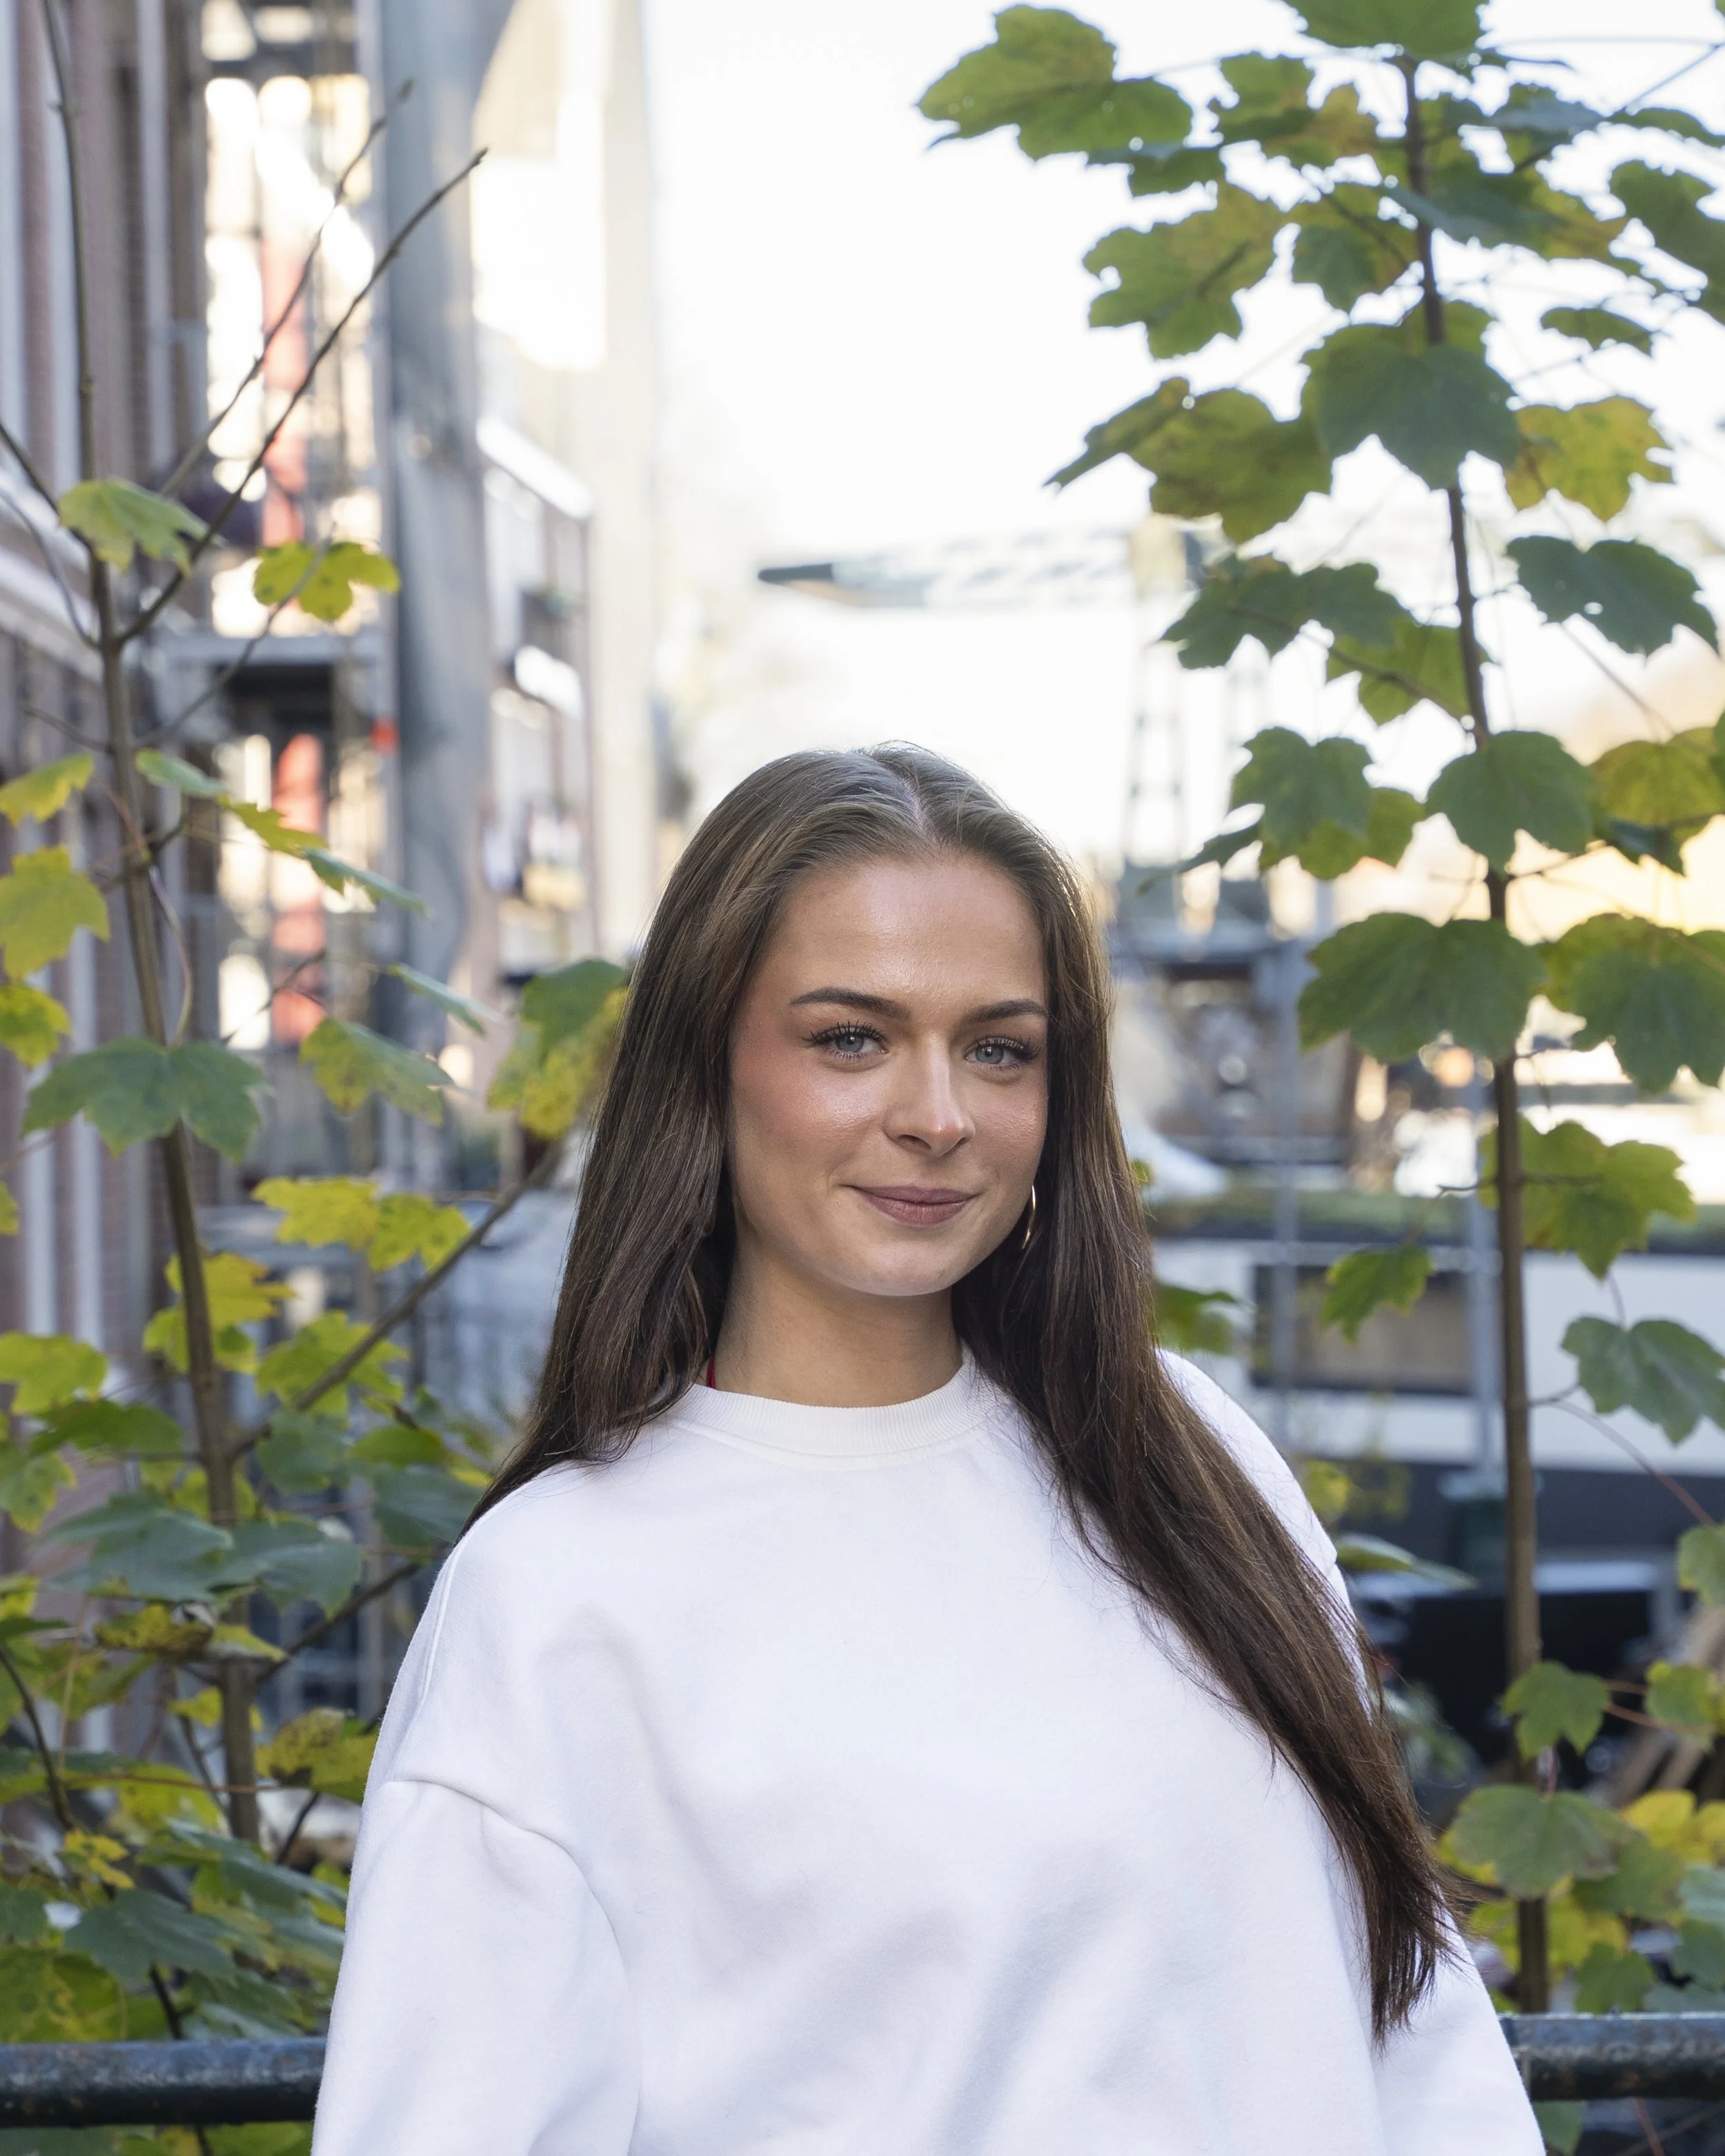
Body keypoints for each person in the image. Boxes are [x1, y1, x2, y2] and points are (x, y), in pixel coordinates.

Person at [311, 746, 1541, 2155]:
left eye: (999, 1048)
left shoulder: (1186, 1455)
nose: (938, 1115)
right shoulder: (558, 1594)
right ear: (705, 1065)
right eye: (851, 1038)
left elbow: (1414, 2036)